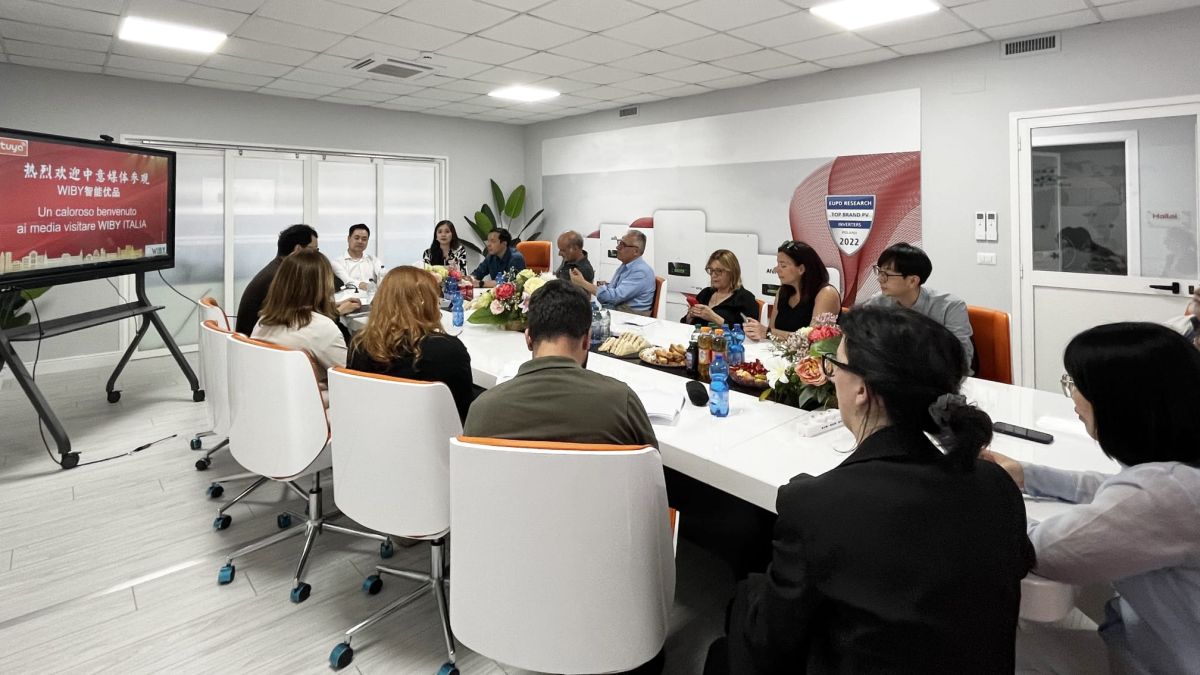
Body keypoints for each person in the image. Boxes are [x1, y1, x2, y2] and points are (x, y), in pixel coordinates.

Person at [708, 306, 1034, 675]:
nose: (831, 376)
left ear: (862, 389)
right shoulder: (995, 484)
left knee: (738, 619)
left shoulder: (817, 504)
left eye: (835, 365)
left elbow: (771, 642)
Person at [983, 323, 1200, 674]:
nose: (1072, 397)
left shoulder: (1165, 495)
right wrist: (1027, 475)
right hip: (1152, 638)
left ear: (1118, 402)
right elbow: (1118, 491)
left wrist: (976, 500)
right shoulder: (1178, 476)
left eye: (1075, 384)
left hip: (1155, 661)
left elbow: (1042, 551)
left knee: (992, 646)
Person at [464, 280, 655, 447]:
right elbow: (651, 469)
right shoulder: (622, 404)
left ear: (528, 338)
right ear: (587, 340)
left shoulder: (483, 410)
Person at [347, 266, 474, 421]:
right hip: (436, 433)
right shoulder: (448, 350)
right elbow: (464, 411)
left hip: (374, 430)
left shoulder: (360, 345)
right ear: (426, 303)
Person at [859, 242, 974, 369]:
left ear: (913, 281)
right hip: (893, 373)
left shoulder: (950, 307)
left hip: (939, 375)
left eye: (887, 275)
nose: (880, 279)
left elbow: (963, 359)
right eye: (879, 272)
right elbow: (859, 340)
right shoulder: (877, 303)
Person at [251, 250, 352, 390]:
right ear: (323, 285)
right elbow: (347, 380)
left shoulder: (263, 322)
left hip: (266, 395)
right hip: (311, 400)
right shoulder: (323, 328)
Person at [235, 224, 359, 336]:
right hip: (267, 344)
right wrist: (337, 312)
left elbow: (303, 310)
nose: (317, 256)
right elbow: (301, 322)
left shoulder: (279, 269)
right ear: (298, 249)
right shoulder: (283, 277)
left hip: (260, 342)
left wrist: (332, 306)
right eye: (314, 250)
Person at [745, 241, 840, 339]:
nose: (776, 270)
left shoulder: (826, 294)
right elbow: (772, 331)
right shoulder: (782, 292)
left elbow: (815, 339)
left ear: (801, 269)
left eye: (783, 266)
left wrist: (768, 332)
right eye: (778, 265)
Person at [570, 229, 656, 316]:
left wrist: (583, 283)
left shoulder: (641, 272)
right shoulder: (625, 266)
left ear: (636, 251)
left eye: (623, 245)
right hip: (619, 312)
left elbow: (613, 298)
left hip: (630, 317)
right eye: (619, 243)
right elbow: (611, 290)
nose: (617, 247)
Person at [683, 249, 758, 327]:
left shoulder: (745, 299)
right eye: (711, 270)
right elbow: (684, 325)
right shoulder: (705, 293)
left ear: (732, 272)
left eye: (718, 271)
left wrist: (714, 318)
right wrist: (690, 316)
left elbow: (749, 331)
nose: (713, 275)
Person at [328, 224, 386, 291]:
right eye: (356, 238)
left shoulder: (373, 260)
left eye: (364, 239)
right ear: (348, 239)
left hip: (373, 296)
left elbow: (384, 276)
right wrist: (366, 285)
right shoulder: (337, 262)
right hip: (348, 297)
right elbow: (347, 281)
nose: (360, 241)